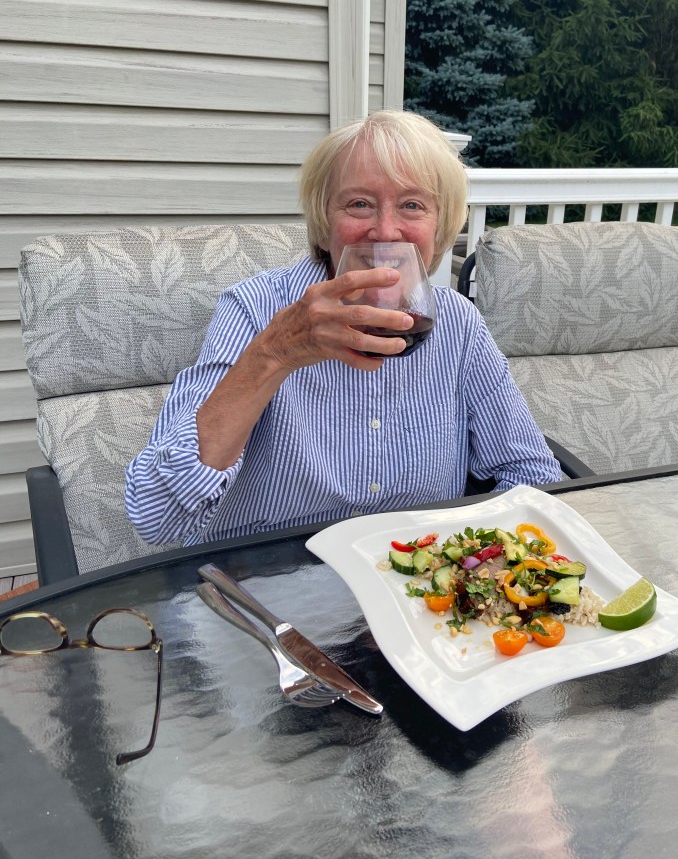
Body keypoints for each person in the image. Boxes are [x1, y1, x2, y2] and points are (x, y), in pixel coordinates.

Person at [125, 110, 560, 546]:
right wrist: (275, 353)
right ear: (323, 223)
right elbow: (158, 517)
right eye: (359, 204)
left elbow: (531, 475)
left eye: (412, 205)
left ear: (440, 227)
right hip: (269, 575)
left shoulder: (458, 323)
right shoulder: (255, 308)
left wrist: (473, 564)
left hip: (416, 574)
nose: (385, 231)